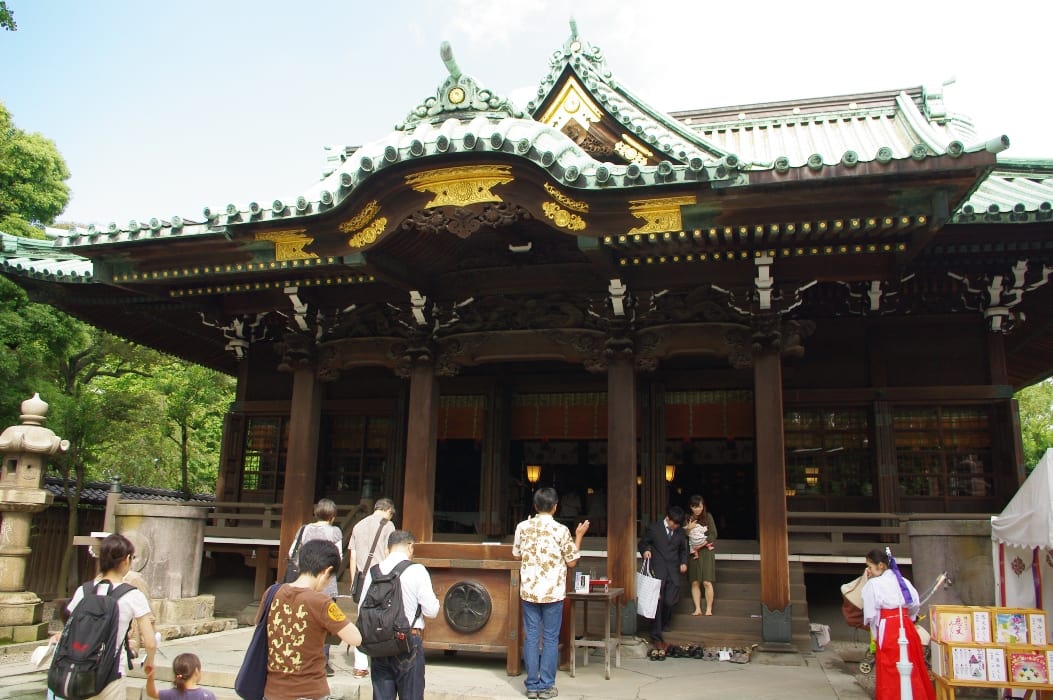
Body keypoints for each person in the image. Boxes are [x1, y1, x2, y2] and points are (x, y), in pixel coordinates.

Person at [53, 533, 157, 700]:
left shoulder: (84, 590)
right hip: (112, 671)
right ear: (127, 559)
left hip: (80, 668)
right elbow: (151, 642)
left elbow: (70, 627)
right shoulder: (132, 595)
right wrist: (150, 662)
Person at [259, 539, 362, 700]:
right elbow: (355, 638)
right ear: (326, 571)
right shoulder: (321, 602)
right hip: (308, 691)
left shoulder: (271, 593)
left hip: (272, 691)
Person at [512, 487, 590, 700]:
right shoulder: (561, 530)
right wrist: (579, 536)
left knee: (531, 637)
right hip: (553, 592)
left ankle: (532, 684)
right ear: (555, 507)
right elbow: (572, 561)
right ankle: (546, 685)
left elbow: (516, 555)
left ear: (535, 506)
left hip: (529, 591)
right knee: (549, 638)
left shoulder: (522, 527)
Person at [359, 529, 440, 700]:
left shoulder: (374, 572)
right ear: (410, 546)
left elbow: (362, 609)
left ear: (388, 548)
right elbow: (431, 611)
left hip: (379, 643)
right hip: (408, 641)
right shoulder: (417, 570)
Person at [861, 547, 935, 700]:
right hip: (906, 625)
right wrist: (910, 618)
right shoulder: (904, 582)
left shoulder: (874, 585)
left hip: (887, 626)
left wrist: (875, 633)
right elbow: (915, 604)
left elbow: (870, 613)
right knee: (913, 663)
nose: (869, 570)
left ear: (880, 565)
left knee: (890, 666)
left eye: (870, 566)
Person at [348, 497, 397, 679]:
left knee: (363, 620)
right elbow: (388, 553)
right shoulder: (388, 526)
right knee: (383, 619)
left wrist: (354, 582)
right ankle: (383, 659)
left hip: (361, 576)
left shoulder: (358, 525)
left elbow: (352, 557)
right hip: (380, 576)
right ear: (389, 511)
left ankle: (360, 666)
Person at [294, 498, 344, 676]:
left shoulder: (304, 529)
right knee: (325, 622)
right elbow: (338, 557)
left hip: (306, 579)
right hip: (326, 582)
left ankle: (302, 657)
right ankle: (323, 660)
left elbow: (293, 553)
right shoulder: (334, 532)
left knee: (303, 619)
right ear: (332, 516)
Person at [638, 505, 688, 648]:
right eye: (675, 523)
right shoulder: (654, 528)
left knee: (670, 602)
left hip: (673, 571)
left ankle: (664, 623)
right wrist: (646, 551)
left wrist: (684, 562)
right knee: (657, 603)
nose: (676, 526)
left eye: (678, 524)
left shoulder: (679, 532)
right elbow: (643, 543)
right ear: (668, 519)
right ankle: (656, 635)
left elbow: (683, 550)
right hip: (658, 570)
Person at [685, 494, 717, 616]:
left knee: (707, 582)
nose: (697, 509)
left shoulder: (708, 517)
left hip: (706, 551)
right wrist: (689, 528)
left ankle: (708, 609)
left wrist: (704, 542)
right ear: (690, 507)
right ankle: (697, 608)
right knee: (695, 581)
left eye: (699, 506)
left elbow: (714, 534)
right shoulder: (688, 518)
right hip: (694, 552)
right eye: (694, 507)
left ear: (703, 506)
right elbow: (686, 535)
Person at [145, 652, 216, 700]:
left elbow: (151, 693)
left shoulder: (171, 694)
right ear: (196, 671)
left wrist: (150, 677)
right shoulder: (207, 696)